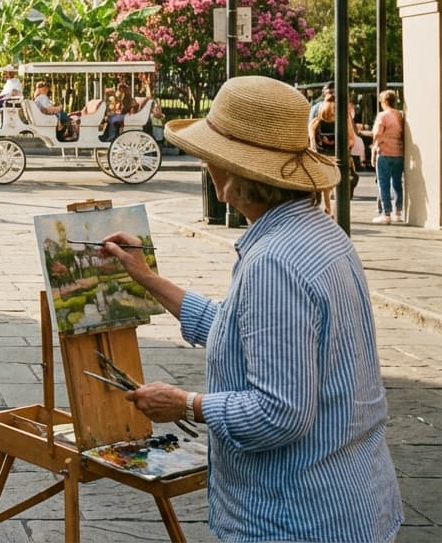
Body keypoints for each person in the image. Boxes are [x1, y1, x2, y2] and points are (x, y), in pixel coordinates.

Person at [98, 75, 401, 543]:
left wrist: (186, 404)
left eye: (210, 158)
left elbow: (279, 412)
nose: (205, 166)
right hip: (348, 497)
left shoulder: (274, 263)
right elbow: (243, 330)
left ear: (231, 177)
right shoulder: (321, 234)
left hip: (296, 516)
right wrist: (146, 277)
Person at [371, 89, 405, 224]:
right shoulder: (400, 115)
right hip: (399, 153)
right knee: (397, 183)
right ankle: (398, 212)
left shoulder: (382, 116)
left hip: (384, 152)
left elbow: (377, 134)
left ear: (384, 102)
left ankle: (386, 214)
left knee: (383, 183)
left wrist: (374, 149)